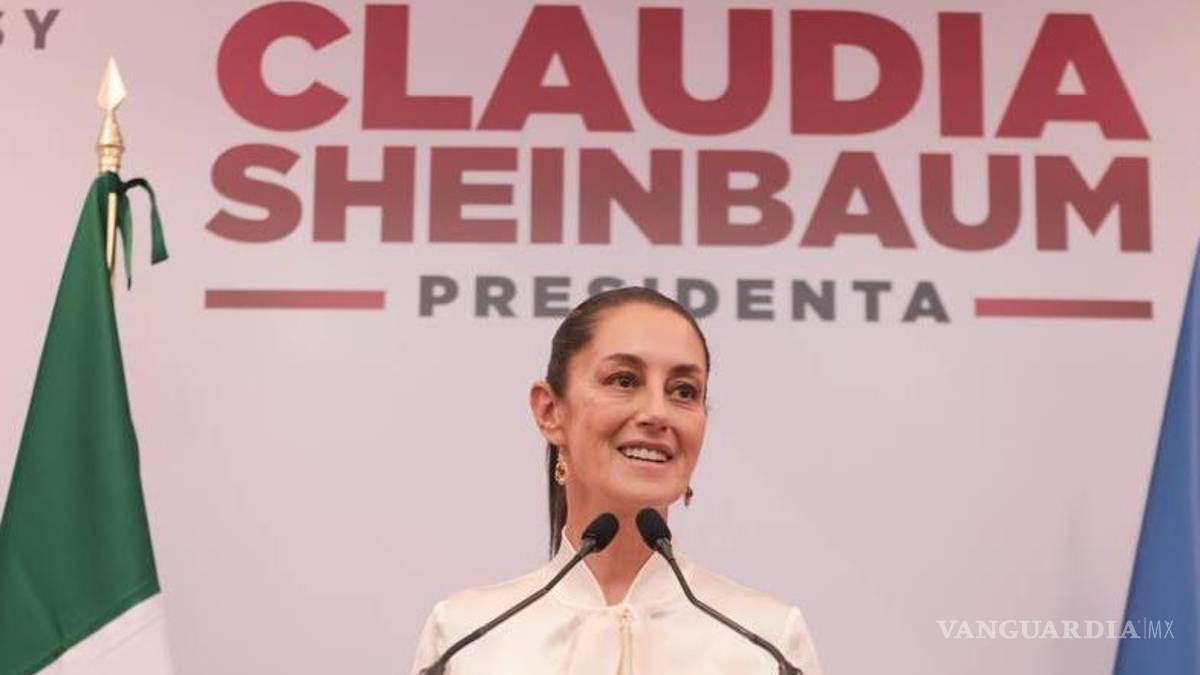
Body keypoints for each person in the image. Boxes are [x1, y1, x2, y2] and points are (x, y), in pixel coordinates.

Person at [409, 287, 823, 675]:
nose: (657, 413)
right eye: (624, 381)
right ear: (550, 411)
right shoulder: (465, 638)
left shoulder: (768, 642)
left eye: (683, 391)